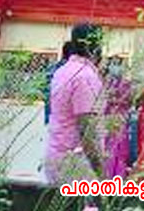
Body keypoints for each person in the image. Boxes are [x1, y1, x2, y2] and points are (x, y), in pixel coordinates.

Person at [44, 24, 104, 184]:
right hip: (76, 164)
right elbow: (87, 130)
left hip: (56, 156)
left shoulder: (62, 71)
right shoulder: (86, 77)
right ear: (96, 47)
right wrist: (101, 172)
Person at [102, 56, 132, 179]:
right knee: (108, 149)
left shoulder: (126, 84)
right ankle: (107, 175)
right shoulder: (106, 83)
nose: (115, 67)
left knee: (119, 149)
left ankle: (118, 176)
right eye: (113, 64)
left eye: (117, 64)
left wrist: (115, 99)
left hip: (120, 120)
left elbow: (129, 101)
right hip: (108, 120)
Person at [43, 41, 73, 125]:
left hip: (51, 117)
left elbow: (46, 93)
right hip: (66, 120)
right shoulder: (73, 71)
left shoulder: (52, 68)